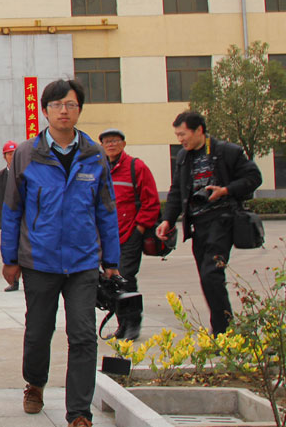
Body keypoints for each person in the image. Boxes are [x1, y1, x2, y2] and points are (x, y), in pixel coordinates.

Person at [0, 79, 119, 427]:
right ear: (45, 111)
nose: (63, 111)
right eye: (56, 105)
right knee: (39, 330)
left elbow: (106, 209)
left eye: (70, 104)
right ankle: (34, 383)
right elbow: (11, 209)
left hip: (82, 262)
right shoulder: (27, 154)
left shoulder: (93, 154)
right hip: (39, 260)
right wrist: (9, 259)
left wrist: (111, 260)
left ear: (79, 109)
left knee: (83, 335)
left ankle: (79, 415)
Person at [156, 111, 262, 336]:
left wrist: (226, 190)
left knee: (211, 274)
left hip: (222, 220)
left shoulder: (226, 151)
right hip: (198, 225)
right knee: (207, 279)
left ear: (199, 131)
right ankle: (225, 329)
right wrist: (167, 220)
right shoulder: (183, 157)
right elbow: (176, 191)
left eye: (183, 134)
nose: (180, 140)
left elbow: (254, 177)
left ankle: (223, 332)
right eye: (177, 135)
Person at [99, 128, 160, 340]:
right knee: (110, 282)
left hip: (129, 235)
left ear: (123, 144)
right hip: (106, 238)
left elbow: (151, 202)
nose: (111, 145)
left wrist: (139, 229)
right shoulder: (99, 169)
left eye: (115, 141)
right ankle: (121, 324)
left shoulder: (136, 167)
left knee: (126, 279)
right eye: (107, 142)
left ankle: (133, 323)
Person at [0, 140, 20, 292]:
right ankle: (14, 281)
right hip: (7, 222)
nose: (12, 157)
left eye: (14, 154)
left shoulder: (25, 174)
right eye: (9, 154)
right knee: (9, 251)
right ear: (4, 156)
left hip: (24, 222)